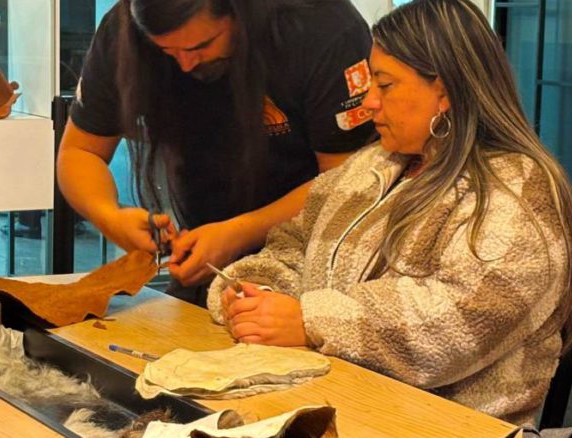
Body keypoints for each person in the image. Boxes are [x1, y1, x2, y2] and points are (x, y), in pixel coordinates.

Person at [208, 0, 572, 425]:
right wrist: (254, 295)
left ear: (444, 92)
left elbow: (459, 323)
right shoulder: (369, 166)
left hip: (447, 426)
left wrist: (309, 320)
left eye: (385, 84)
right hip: (340, 407)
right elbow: (291, 245)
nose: (368, 101)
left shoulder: (516, 189)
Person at [56, 0, 376, 305]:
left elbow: (347, 179)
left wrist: (239, 233)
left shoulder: (323, 29)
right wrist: (110, 217)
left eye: (201, 46)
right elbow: (80, 152)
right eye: (166, 51)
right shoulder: (127, 28)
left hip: (316, 266)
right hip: (206, 264)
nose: (185, 64)